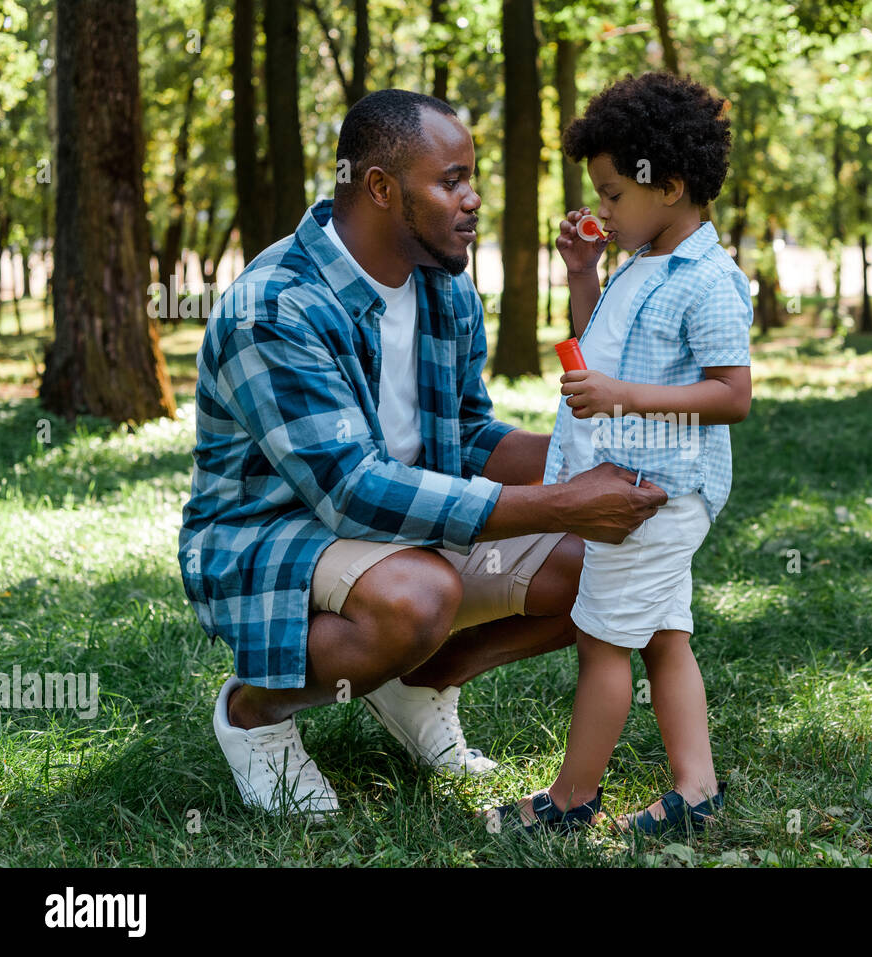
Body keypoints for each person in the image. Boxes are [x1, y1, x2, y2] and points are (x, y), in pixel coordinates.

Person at [178, 89, 667, 818]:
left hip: (401, 525)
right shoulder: (276, 306)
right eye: (451, 180)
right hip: (272, 537)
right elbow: (351, 492)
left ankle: (421, 680)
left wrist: (603, 467)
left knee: (601, 560)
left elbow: (468, 433)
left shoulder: (444, 286)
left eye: (472, 178)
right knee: (419, 595)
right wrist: (567, 500)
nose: (472, 199)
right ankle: (255, 711)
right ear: (380, 187)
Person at [488, 73, 752, 835]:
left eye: (612, 195)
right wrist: (580, 277)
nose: (602, 210)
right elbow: (595, 354)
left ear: (668, 186)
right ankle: (695, 791)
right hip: (634, 487)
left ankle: (569, 805)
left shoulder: (707, 280)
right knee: (667, 635)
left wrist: (624, 397)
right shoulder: (639, 265)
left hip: (654, 495)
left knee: (602, 646)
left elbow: (732, 395)